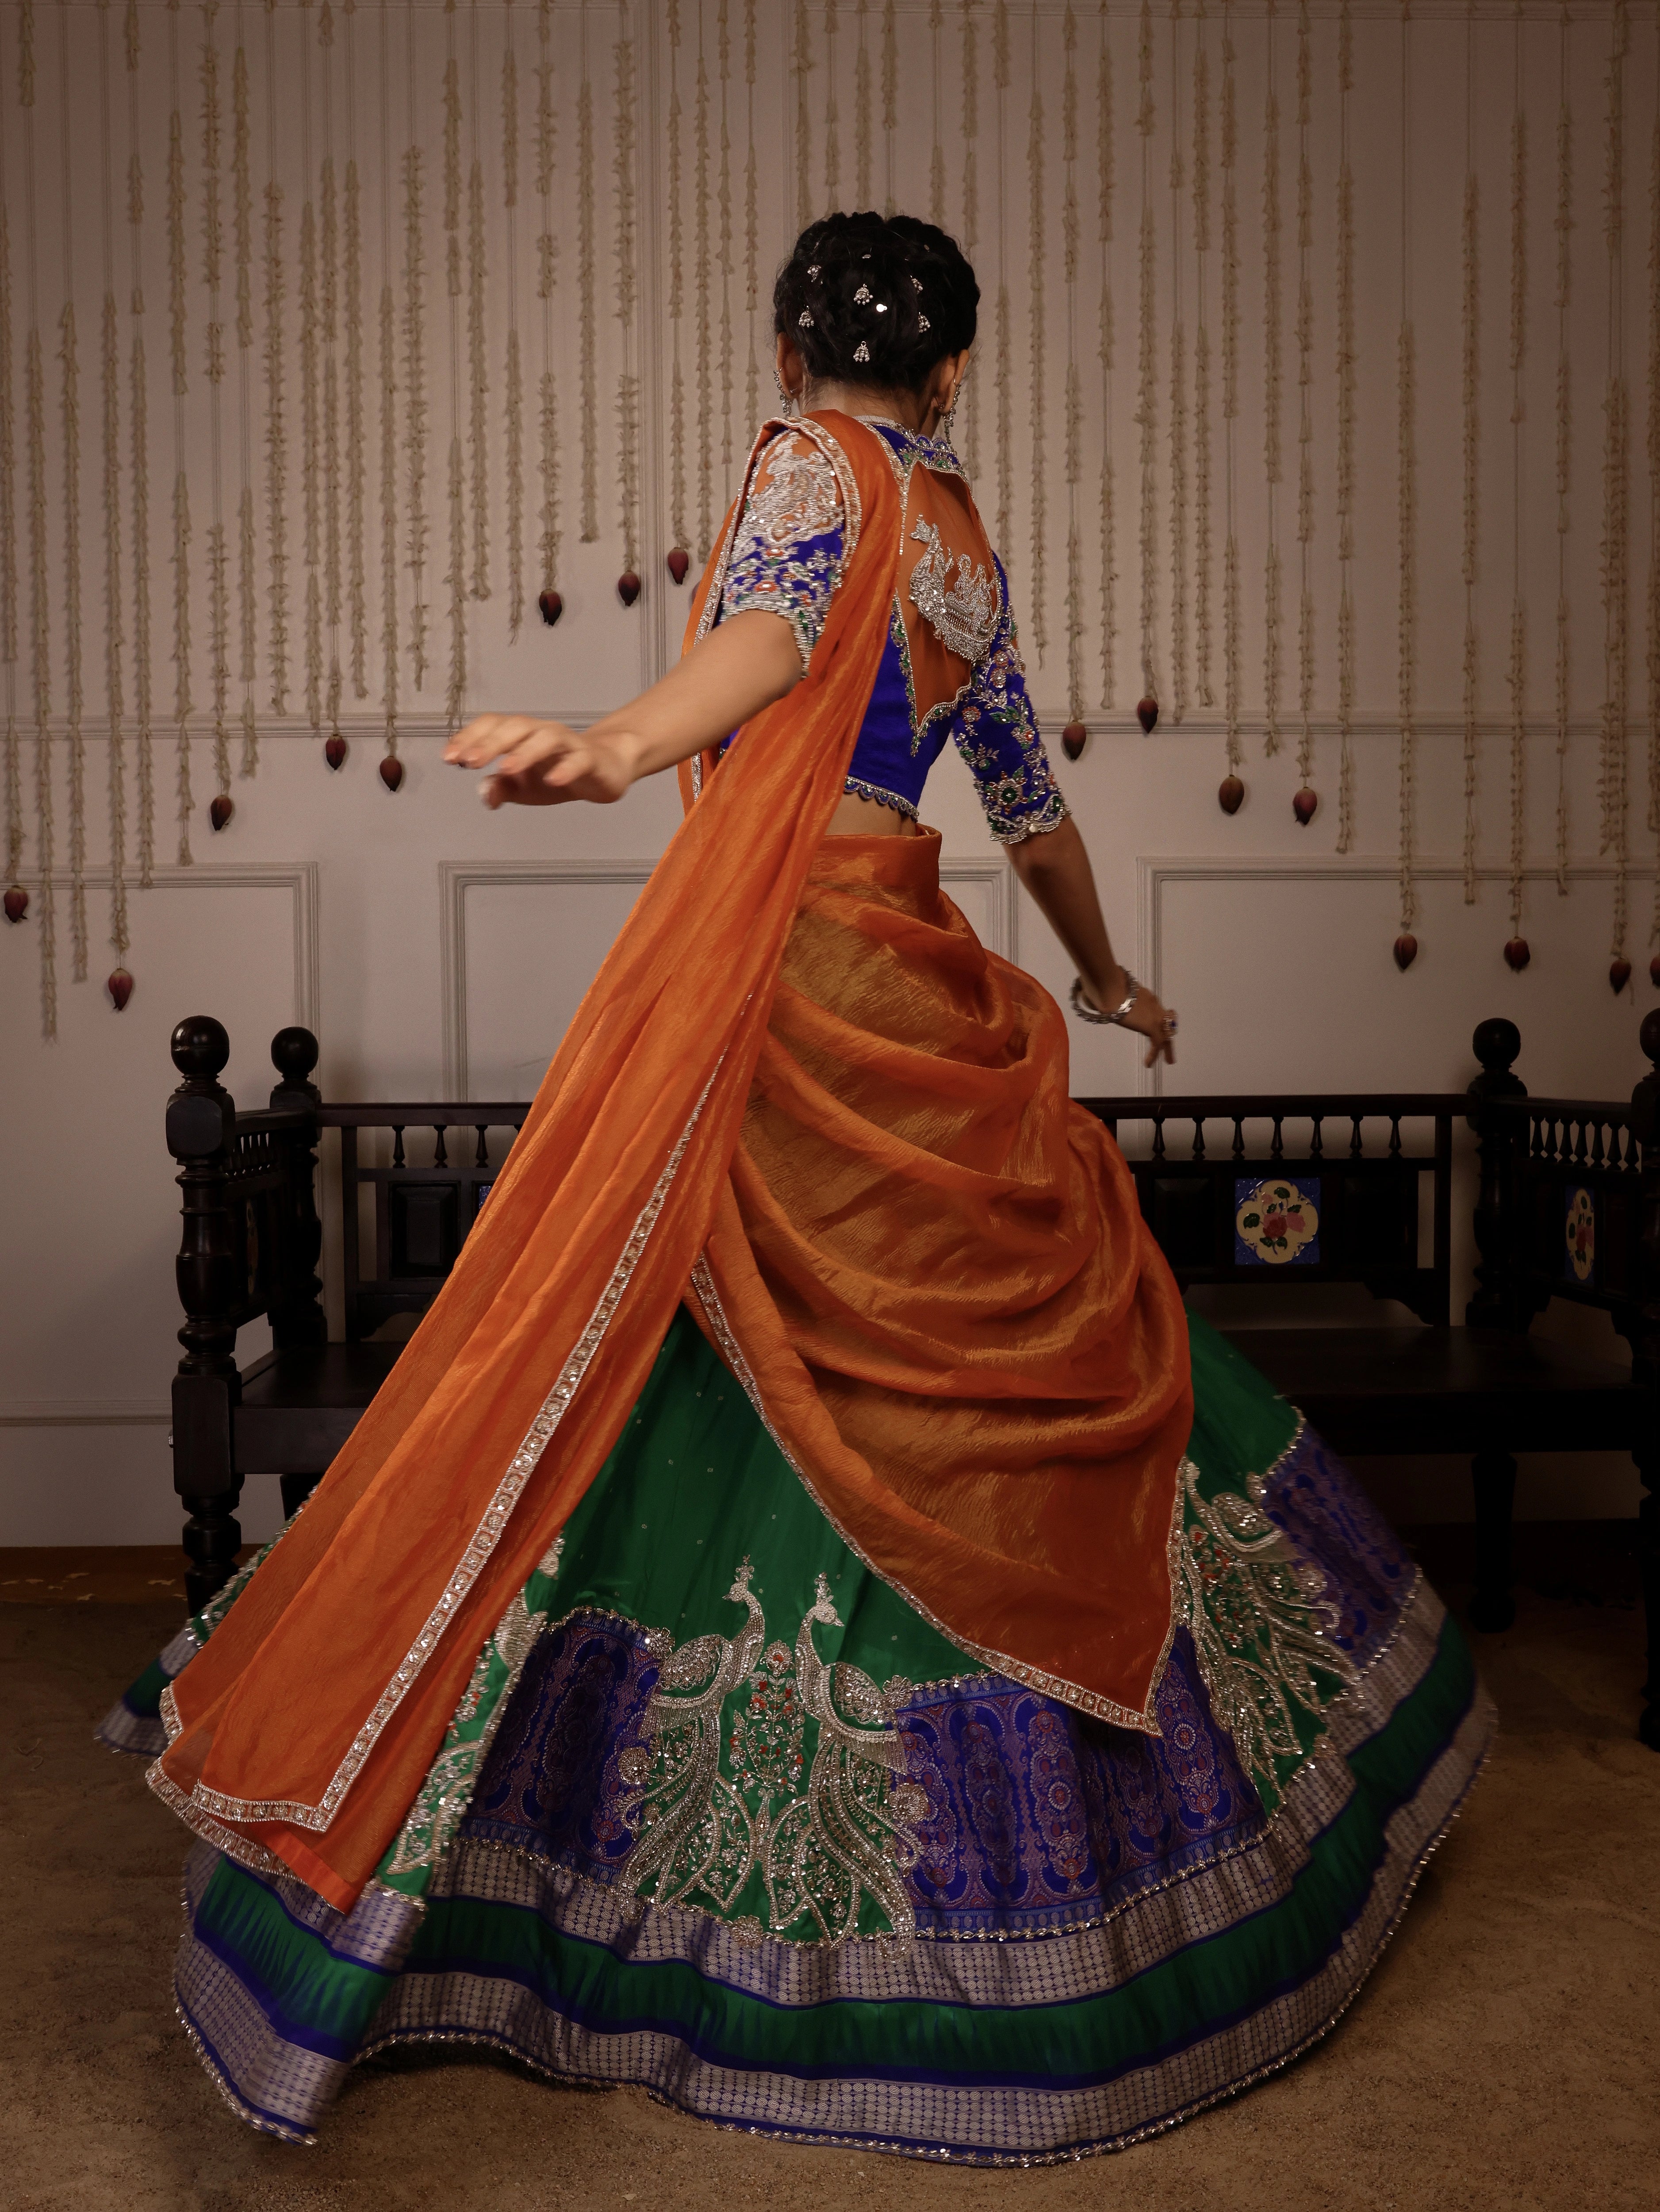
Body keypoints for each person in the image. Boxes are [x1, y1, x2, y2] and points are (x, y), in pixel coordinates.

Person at [102, 213, 1491, 2162]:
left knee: (652, 1344)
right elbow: (1023, 794)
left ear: (783, 355)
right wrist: (1098, 972)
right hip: (896, 952)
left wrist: (618, 737)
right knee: (868, 1349)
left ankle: (571, 1888)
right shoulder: (960, 530)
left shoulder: (803, 468)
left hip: (784, 973)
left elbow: (760, 640)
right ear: (956, 375)